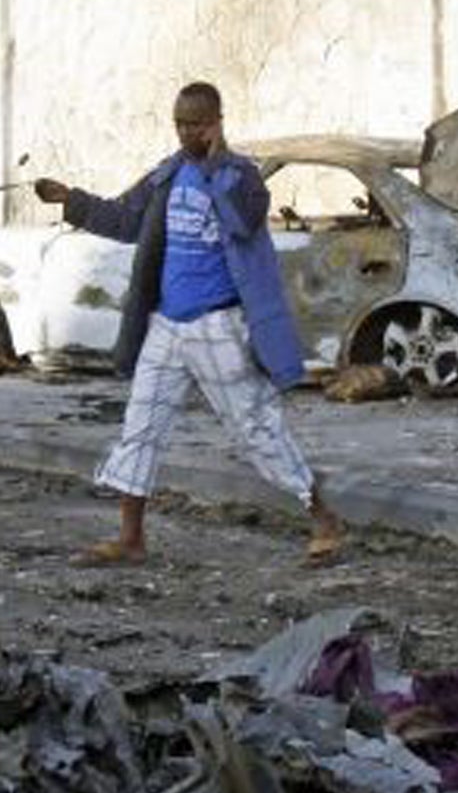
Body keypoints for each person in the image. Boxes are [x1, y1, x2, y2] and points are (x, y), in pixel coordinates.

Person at [32, 81, 345, 566]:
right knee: (140, 428)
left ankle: (322, 517)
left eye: (195, 123)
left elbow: (245, 220)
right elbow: (124, 219)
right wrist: (70, 199)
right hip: (167, 326)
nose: (184, 132)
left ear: (217, 123)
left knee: (255, 426)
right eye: (179, 123)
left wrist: (217, 164)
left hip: (218, 325)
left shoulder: (241, 176)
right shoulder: (168, 175)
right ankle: (131, 539)